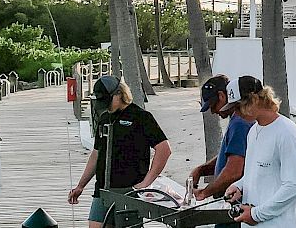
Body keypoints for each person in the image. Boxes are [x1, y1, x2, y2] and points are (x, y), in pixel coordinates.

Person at [67, 75, 172, 228]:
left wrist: (146, 183)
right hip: (102, 189)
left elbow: (164, 149)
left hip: (129, 190)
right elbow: (96, 154)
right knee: (95, 225)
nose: (106, 106)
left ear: (119, 93)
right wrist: (80, 185)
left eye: (107, 100)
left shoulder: (141, 117)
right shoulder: (104, 118)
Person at [225, 86, 296, 227]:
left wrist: (256, 214)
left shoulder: (287, 132)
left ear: (255, 99)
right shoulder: (253, 131)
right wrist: (239, 186)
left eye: (239, 107)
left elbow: (295, 185)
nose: (236, 113)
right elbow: (257, 171)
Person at [188, 75, 263, 228]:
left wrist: (205, 192)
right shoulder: (237, 119)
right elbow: (231, 154)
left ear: (222, 96)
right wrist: (202, 169)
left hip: (237, 206)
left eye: (213, 105)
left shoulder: (240, 123)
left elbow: (234, 170)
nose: (214, 112)